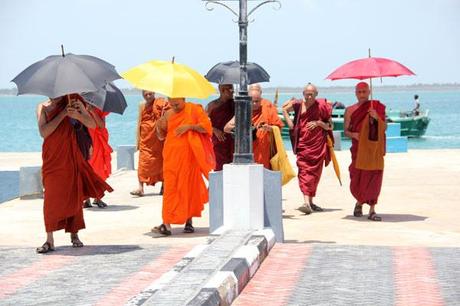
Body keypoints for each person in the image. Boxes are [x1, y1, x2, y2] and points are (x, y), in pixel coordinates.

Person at [36, 95, 113, 253]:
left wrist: (78, 114)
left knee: (74, 192)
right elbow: (44, 132)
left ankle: (74, 234)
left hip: (72, 155)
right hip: (52, 157)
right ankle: (49, 239)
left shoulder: (74, 101)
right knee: (50, 196)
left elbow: (92, 124)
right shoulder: (42, 107)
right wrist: (63, 114)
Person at [153, 97, 215, 236]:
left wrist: (190, 126)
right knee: (170, 189)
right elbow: (161, 136)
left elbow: (206, 127)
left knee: (188, 187)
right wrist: (159, 125)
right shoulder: (167, 114)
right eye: (172, 102)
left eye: (177, 103)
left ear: (183, 99)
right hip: (171, 156)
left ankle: (189, 222)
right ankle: (166, 223)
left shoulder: (194, 109)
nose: (174, 105)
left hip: (189, 157)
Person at [282, 83, 333, 215]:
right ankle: (305, 202)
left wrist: (319, 123)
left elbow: (330, 126)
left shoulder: (321, 106)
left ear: (316, 94)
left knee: (315, 174)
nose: (309, 96)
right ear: (303, 94)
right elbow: (284, 110)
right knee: (304, 172)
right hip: (303, 144)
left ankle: (310, 202)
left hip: (317, 145)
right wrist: (291, 125)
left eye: (312, 94)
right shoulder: (298, 105)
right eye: (307, 94)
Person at [344, 82, 386, 221]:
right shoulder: (350, 110)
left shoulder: (376, 107)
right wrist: (354, 135)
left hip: (373, 150)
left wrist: (376, 118)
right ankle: (359, 201)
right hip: (358, 149)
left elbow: (384, 127)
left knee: (374, 177)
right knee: (358, 177)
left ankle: (372, 209)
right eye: (359, 92)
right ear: (355, 93)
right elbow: (346, 131)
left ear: (369, 92)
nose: (362, 94)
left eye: (364, 91)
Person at [224, 84, 283, 169]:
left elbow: (278, 128)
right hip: (246, 149)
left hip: (263, 150)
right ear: (248, 99)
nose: (255, 104)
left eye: (257, 101)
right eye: (252, 101)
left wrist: (269, 128)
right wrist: (243, 128)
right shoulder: (243, 109)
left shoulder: (267, 106)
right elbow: (226, 128)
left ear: (261, 98)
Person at [130, 90, 169, 196]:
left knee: (161, 162)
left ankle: (164, 186)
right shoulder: (141, 106)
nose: (148, 96)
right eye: (145, 94)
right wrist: (137, 140)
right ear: (142, 94)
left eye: (150, 94)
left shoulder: (160, 103)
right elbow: (140, 122)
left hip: (158, 139)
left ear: (154, 93)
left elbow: (169, 112)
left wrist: (164, 110)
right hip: (145, 140)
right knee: (143, 163)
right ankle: (140, 187)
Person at [84, 105, 112, 208]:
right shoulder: (81, 107)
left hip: (98, 141)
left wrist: (93, 111)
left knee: (99, 170)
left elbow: (101, 125)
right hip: (86, 141)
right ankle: (86, 199)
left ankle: (98, 198)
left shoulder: (100, 109)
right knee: (86, 170)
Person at [206, 84, 235, 171]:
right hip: (219, 142)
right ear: (222, 90)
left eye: (232, 89)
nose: (233, 91)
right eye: (230, 89)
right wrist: (214, 130)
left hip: (233, 141)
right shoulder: (212, 105)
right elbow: (202, 122)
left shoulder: (235, 104)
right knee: (219, 167)